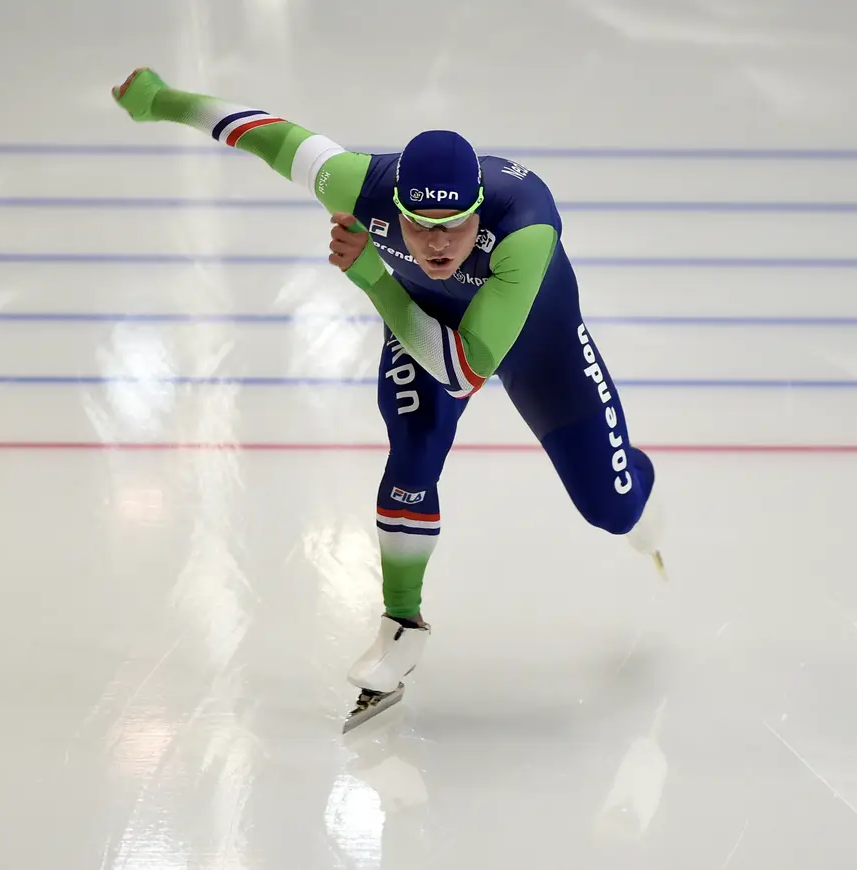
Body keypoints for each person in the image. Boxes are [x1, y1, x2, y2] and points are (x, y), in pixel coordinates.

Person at [112, 68, 666, 731]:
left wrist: (373, 274)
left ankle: (634, 480)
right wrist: (159, 100)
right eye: (419, 225)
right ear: (394, 207)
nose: (437, 244)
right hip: (421, 325)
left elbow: (461, 371)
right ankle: (401, 625)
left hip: (536, 347)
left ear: (479, 210)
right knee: (411, 459)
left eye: (454, 227)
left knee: (613, 511)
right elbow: (260, 133)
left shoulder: (527, 226)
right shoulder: (356, 182)